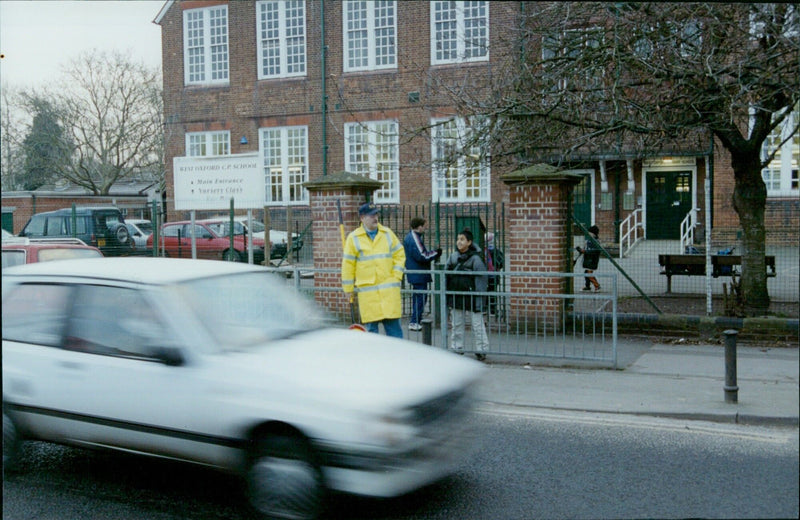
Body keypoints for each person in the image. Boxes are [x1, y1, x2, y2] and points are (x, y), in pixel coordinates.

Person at [342, 202, 406, 338]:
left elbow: (400, 254)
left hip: (388, 294)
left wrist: (397, 275)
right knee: (372, 337)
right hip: (369, 296)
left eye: (376, 214)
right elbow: (348, 265)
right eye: (371, 215)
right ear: (362, 218)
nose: (375, 218)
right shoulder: (353, 238)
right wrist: (348, 289)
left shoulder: (387, 234)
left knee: (395, 336)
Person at [445, 228, 489, 361]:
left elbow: (481, 279)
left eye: (462, 239)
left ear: (469, 242)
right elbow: (446, 274)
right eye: (458, 239)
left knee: (477, 324)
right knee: (457, 323)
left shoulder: (476, 259)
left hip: (473, 296)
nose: (459, 242)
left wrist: (480, 297)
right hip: (457, 295)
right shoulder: (453, 257)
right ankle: (457, 347)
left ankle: (481, 349)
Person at [403, 217, 442, 331]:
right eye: (424, 226)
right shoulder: (414, 238)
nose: (426, 228)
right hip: (418, 273)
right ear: (419, 227)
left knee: (419, 297)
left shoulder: (412, 237)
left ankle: (415, 320)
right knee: (420, 298)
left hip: (416, 272)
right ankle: (415, 321)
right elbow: (422, 255)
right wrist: (436, 253)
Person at [484, 232, 504, 315]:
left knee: (484, 293)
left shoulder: (482, 251)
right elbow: (501, 263)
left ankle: (484, 308)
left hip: (484, 276)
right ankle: (492, 310)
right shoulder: (496, 251)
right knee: (493, 293)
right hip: (494, 275)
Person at [576, 224, 602, 291]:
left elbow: (593, 251)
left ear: (593, 233)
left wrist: (584, 251)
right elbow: (587, 249)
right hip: (588, 259)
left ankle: (597, 286)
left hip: (592, 260)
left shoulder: (595, 241)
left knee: (589, 274)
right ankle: (587, 286)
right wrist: (582, 250)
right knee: (586, 273)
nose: (588, 234)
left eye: (590, 233)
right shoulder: (590, 240)